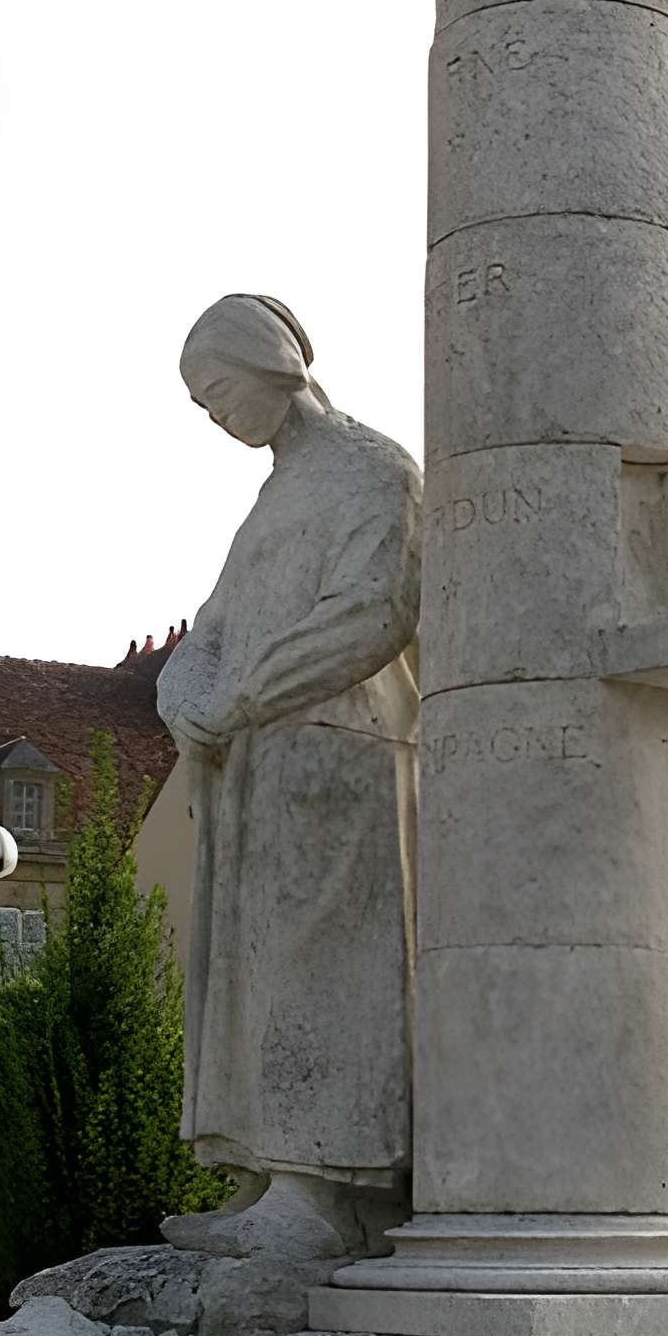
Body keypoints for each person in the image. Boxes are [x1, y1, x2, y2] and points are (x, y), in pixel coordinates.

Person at [156, 294, 420, 1259]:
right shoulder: (273, 498)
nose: (212, 414)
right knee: (252, 973)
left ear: (271, 363)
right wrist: (180, 689)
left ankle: (324, 1191)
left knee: (325, 967)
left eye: (215, 389)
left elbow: (373, 612)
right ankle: (273, 1177)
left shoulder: (371, 471)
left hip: (340, 752)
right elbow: (214, 623)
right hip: (255, 762)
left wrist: (247, 695)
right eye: (199, 403)